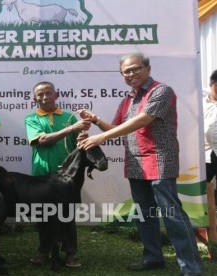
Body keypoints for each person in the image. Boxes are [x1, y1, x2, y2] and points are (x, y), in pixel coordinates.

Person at [78, 52, 203, 275]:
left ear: (148, 68)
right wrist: (96, 121)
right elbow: (115, 130)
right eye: (126, 71)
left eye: (136, 68)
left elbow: (143, 119)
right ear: (122, 75)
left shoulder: (161, 91)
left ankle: (191, 267)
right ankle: (153, 258)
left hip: (160, 160)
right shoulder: (127, 99)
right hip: (136, 163)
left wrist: (100, 138)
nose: (131, 74)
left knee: (172, 214)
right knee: (144, 214)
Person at [25, 81, 90, 268]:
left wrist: (81, 137)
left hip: (66, 179)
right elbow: (42, 140)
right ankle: (44, 250)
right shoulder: (32, 118)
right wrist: (72, 129)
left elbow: (78, 146)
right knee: (44, 216)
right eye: (40, 94)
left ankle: (71, 252)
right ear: (34, 98)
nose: (44, 97)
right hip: (42, 176)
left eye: (48, 93)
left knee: (66, 216)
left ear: (56, 95)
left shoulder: (69, 117)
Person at [203, 69, 217, 204]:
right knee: (203, 188)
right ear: (211, 84)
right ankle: (206, 222)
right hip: (207, 154)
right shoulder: (201, 104)